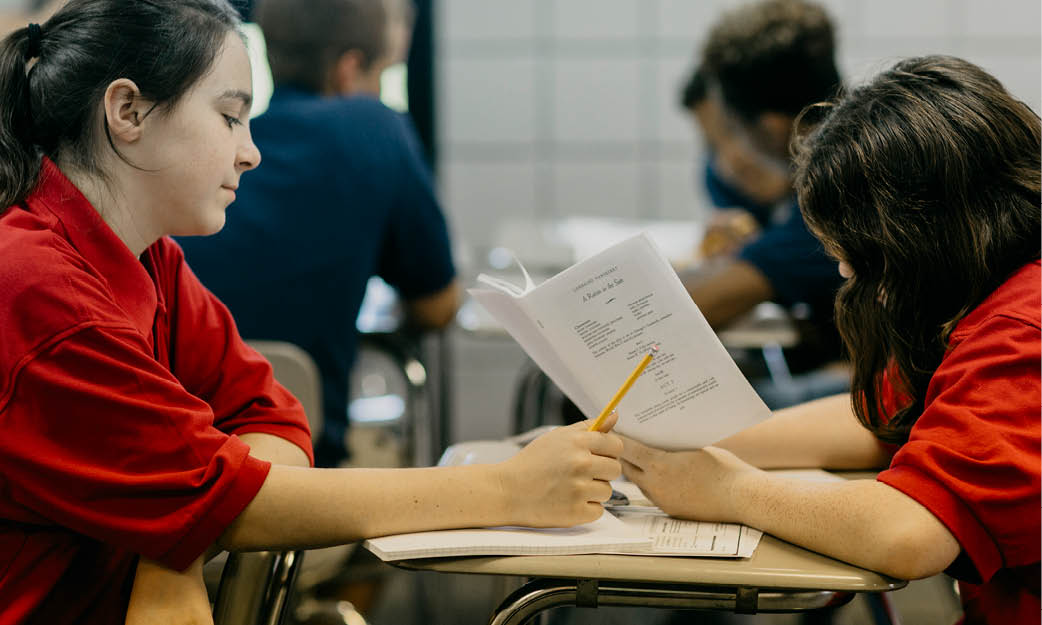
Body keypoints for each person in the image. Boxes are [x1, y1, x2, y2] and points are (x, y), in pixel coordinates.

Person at [0, 1, 623, 622]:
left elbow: (267, 410)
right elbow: (234, 501)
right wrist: (509, 489)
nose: (251, 153)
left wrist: (177, 540)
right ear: (128, 111)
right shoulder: (35, 287)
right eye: (229, 117)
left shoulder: (147, 256)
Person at [621, 56, 1040, 625]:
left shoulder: (1022, 330)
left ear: (918, 240)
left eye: (860, 262)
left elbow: (909, 534)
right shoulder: (991, 296)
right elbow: (881, 417)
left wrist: (725, 489)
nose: (847, 278)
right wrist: (664, 446)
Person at [177, 0, 458, 468]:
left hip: (173, 463)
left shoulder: (208, 154)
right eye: (381, 74)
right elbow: (437, 305)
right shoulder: (374, 128)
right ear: (349, 70)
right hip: (299, 468)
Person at [677, 0, 847, 391]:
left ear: (771, 128)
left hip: (884, 391)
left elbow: (696, 307)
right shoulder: (867, 144)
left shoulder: (839, 188)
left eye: (729, 128)